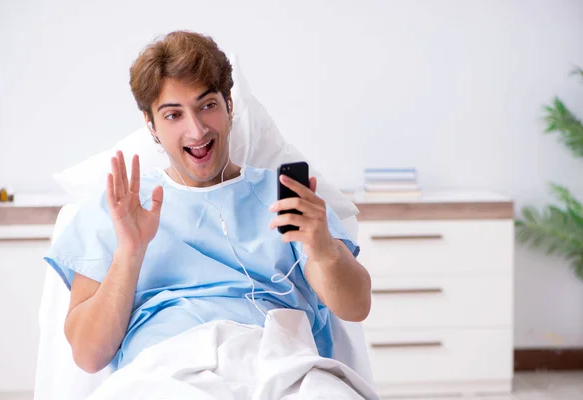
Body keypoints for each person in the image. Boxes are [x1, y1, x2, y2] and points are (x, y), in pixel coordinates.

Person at [45, 30, 371, 374]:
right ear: (151, 125)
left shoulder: (286, 195)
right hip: (168, 374)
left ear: (229, 105)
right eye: (173, 115)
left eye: (207, 106)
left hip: (278, 367)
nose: (197, 130)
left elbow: (356, 306)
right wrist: (129, 252)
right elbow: (88, 355)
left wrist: (323, 249)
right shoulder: (120, 208)